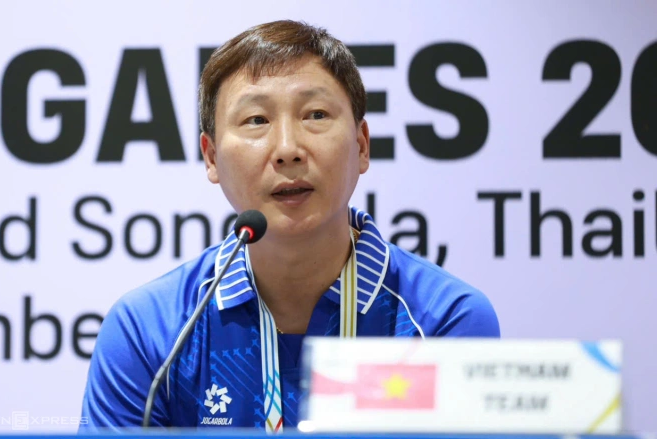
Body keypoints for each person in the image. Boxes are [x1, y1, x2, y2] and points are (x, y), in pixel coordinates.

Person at [79, 19, 500, 432]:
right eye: (256, 120)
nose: (287, 149)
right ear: (211, 157)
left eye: (315, 114)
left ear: (361, 145)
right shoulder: (150, 331)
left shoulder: (444, 322)